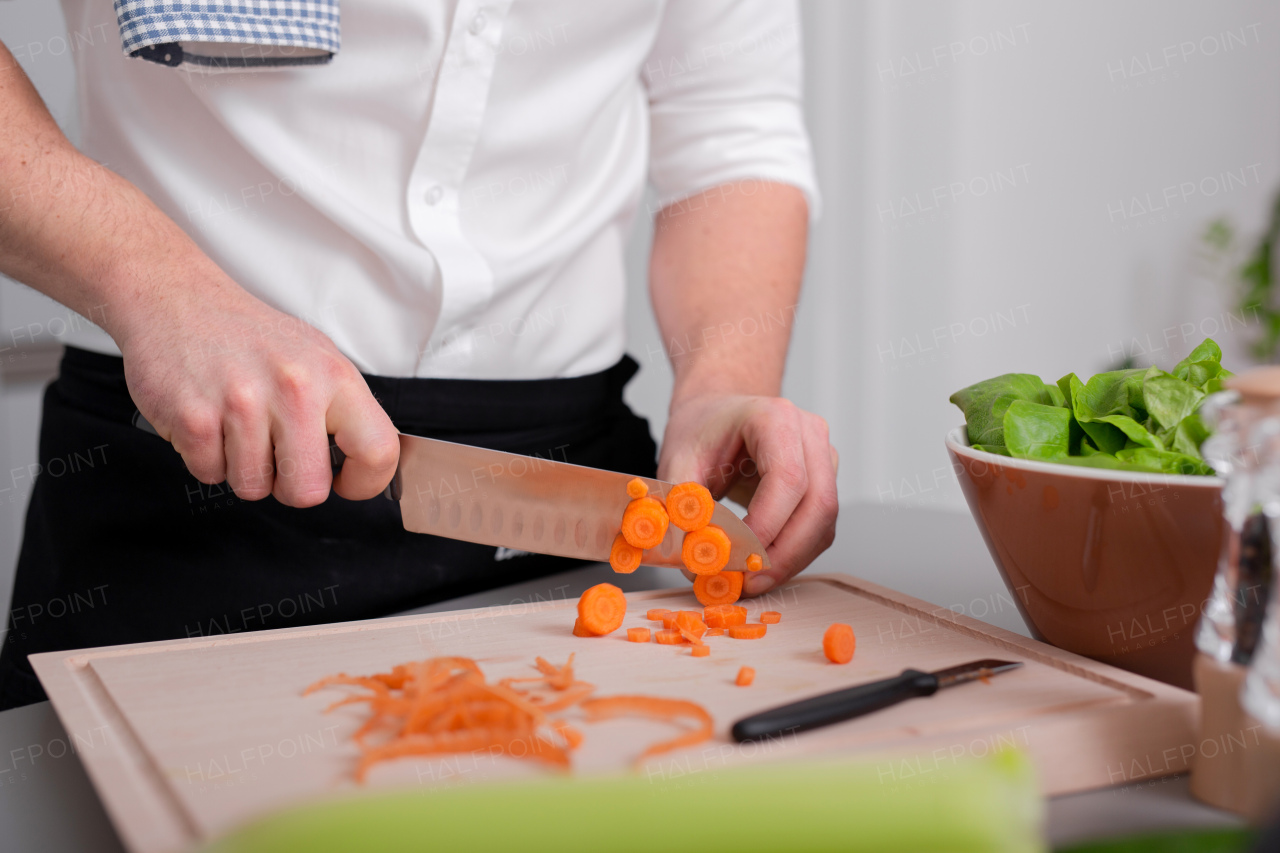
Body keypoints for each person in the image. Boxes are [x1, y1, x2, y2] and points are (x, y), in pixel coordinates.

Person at [0, 0, 838, 710]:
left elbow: (731, 120)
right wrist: (161, 286)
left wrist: (722, 385)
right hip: (187, 471)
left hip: (567, 519)